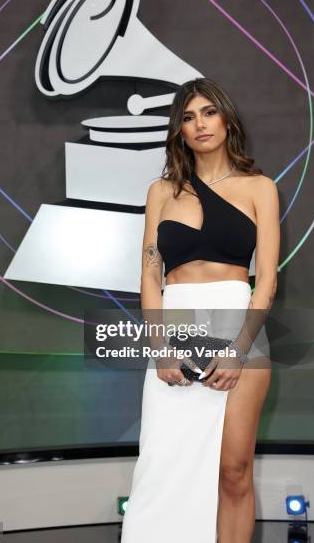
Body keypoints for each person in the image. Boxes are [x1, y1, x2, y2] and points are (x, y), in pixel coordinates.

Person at [120, 78, 280, 543]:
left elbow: (265, 278)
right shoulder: (161, 192)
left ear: (226, 119)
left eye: (208, 112)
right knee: (161, 464)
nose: (200, 124)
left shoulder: (259, 187)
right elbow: (150, 273)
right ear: (179, 132)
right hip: (175, 325)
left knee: (233, 469)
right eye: (188, 117)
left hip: (238, 325)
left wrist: (238, 349)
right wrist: (161, 349)